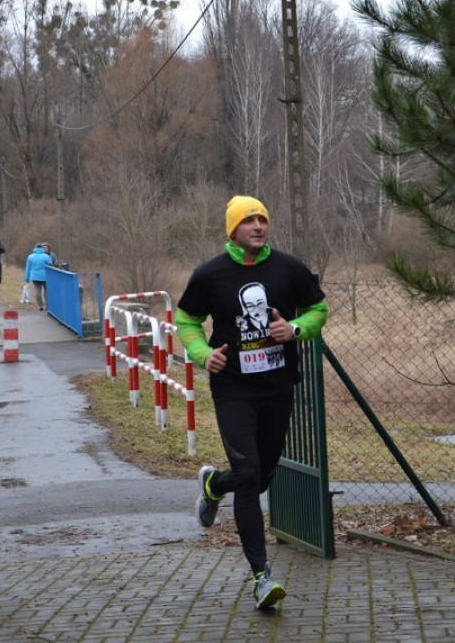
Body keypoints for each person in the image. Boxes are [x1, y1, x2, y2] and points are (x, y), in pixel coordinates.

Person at [175, 195, 328, 611]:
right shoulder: (211, 275)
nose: (258, 226)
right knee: (248, 474)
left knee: (260, 478)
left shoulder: (288, 268)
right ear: (233, 229)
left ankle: (212, 485)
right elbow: (185, 320)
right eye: (248, 221)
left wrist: (295, 329)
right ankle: (262, 576)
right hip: (234, 389)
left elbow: (318, 308)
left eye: (262, 219)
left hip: (277, 388)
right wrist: (204, 355)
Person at [24, 243, 54, 310]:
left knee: (38, 290)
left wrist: (27, 278)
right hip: (45, 276)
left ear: (35, 248)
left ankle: (40, 306)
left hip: (34, 276)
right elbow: (51, 264)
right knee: (46, 291)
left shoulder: (30, 256)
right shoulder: (46, 256)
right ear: (42, 249)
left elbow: (28, 268)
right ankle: (47, 306)